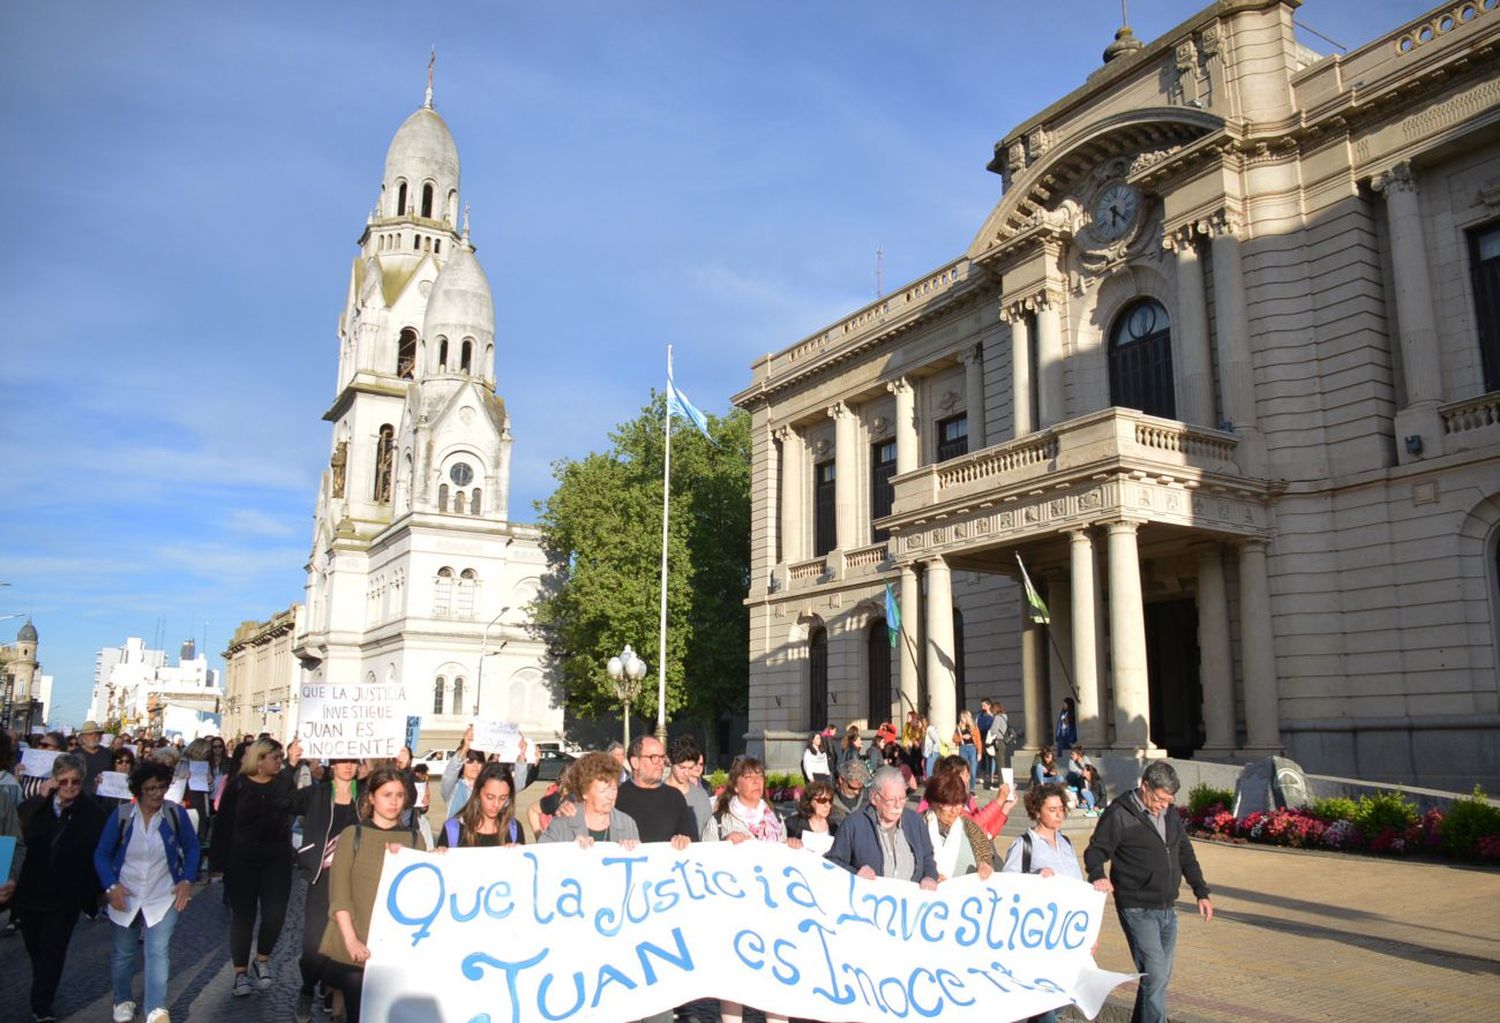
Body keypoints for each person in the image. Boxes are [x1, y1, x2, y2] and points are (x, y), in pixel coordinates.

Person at [1084, 762, 1213, 1023]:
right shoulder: (1120, 813)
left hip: (1167, 908)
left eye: (1169, 800)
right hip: (1136, 907)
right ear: (1145, 787)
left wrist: (1201, 891)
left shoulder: (1171, 814)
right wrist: (1097, 874)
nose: (1164, 805)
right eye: (1161, 799)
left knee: (1157, 980)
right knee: (1154, 975)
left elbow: (1185, 853)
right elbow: (1095, 851)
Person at [94, 758, 200, 1023]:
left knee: (158, 950)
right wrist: (111, 885)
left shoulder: (175, 814)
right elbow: (101, 853)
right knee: (123, 952)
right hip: (125, 894)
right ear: (139, 789)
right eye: (150, 788)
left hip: (163, 893)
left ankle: (156, 1006)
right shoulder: (120, 816)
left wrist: (187, 879)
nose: (156, 794)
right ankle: (122, 999)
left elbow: (193, 847)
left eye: (161, 787)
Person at [318, 767, 422, 1023]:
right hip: (356, 942)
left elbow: (423, 892)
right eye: (387, 794)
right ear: (372, 798)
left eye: (399, 795)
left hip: (395, 947)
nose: (394, 801)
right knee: (361, 1013)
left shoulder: (414, 838)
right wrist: (351, 940)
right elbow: (340, 894)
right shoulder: (353, 835)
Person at [211, 737, 304, 997]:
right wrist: (217, 863)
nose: (279, 762)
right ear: (259, 760)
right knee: (243, 917)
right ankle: (240, 973)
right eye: (274, 758)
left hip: (276, 859)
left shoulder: (284, 782)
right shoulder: (238, 785)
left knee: (276, 915)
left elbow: (298, 804)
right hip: (241, 860)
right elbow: (223, 824)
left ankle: (261, 960)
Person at [15, 753, 104, 1022]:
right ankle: (42, 982)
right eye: (63, 781)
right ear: (54, 780)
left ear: (82, 781)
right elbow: (14, 829)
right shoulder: (36, 805)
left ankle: (42, 1004)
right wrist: (40, 798)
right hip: (30, 891)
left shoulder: (92, 812)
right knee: (35, 947)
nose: (68, 787)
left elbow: (97, 854)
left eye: (74, 782)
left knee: (53, 950)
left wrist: (96, 894)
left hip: (65, 895)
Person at [701, 757, 789, 1023]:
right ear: (735, 785)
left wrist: (791, 848)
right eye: (749, 777)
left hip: (770, 910)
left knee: (777, 975)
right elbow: (704, 863)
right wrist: (725, 845)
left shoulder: (776, 818)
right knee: (734, 977)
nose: (756, 782)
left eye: (760, 776)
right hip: (734, 910)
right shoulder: (719, 820)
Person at [1002, 781, 1084, 1023]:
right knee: (1044, 1004)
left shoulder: (1066, 843)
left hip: (1065, 935)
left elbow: (1079, 886)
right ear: (1037, 811)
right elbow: (1007, 887)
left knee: (1061, 1000)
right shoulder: (1024, 845)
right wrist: (1034, 878)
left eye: (1061, 809)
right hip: (1037, 937)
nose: (1059, 815)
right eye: (1052, 810)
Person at [290, 757, 359, 1023]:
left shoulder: (364, 795)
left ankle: (334, 992)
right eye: (343, 760)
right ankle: (308, 987)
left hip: (354, 877)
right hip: (322, 876)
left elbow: (403, 798)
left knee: (346, 937)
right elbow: (286, 801)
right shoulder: (317, 792)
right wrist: (292, 765)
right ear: (332, 764)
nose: (348, 766)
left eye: (353, 760)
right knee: (314, 943)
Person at [826, 766, 937, 889]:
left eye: (902, 799)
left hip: (908, 904)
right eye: (890, 800)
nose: (898, 806)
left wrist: (929, 876)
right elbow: (832, 862)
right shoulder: (853, 824)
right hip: (871, 902)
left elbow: (927, 857)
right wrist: (855, 873)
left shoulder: (915, 822)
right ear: (874, 798)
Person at [539, 752, 639, 847]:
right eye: (602, 790)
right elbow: (542, 856)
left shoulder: (627, 823)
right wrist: (569, 849)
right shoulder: (562, 823)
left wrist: (635, 849)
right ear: (584, 792)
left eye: (614, 789)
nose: (611, 796)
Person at [612, 736, 695, 848]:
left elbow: (692, 839)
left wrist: (684, 839)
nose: (661, 763)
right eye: (654, 757)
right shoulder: (616, 796)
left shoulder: (675, 797)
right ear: (635, 762)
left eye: (662, 757)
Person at [922, 770, 994, 882]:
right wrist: (926, 875)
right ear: (933, 802)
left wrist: (985, 867)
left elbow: (987, 859)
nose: (954, 810)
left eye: (959, 803)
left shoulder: (970, 827)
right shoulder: (917, 825)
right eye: (948, 804)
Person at [439, 763, 523, 847]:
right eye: (490, 797)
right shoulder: (453, 829)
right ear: (478, 793)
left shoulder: (514, 830)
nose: (496, 804)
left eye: (503, 798)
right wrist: (438, 854)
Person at [665, 735, 714, 837]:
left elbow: (709, 832)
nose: (686, 773)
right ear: (670, 761)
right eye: (682, 767)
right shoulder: (657, 794)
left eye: (690, 767)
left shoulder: (701, 796)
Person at [783, 779, 838, 856]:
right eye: (822, 800)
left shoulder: (835, 828)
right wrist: (789, 842)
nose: (827, 805)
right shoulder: (792, 824)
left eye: (830, 800)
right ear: (809, 801)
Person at [440, 730, 487, 819]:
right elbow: (448, 775)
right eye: (470, 760)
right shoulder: (453, 788)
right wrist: (465, 748)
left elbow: (516, 785)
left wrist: (520, 757)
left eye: (479, 761)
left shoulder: (488, 788)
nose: (475, 765)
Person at [75, 722, 115, 799]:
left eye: (97, 734)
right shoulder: (74, 754)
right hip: (79, 797)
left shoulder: (108, 754)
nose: (94, 737)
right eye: (90, 734)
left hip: (102, 798)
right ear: (83, 737)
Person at [828, 759, 868, 825]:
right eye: (852, 788)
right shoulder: (827, 802)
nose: (857, 792)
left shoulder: (867, 800)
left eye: (860, 788)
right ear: (841, 779)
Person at [986, 699, 1012, 786]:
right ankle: (1004, 782)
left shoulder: (997, 717)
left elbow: (993, 730)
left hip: (999, 741)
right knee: (1003, 762)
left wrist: (990, 729)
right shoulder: (1005, 716)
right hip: (1004, 741)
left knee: (1000, 763)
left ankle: (1001, 783)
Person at [954, 709, 980, 793]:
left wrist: (979, 753)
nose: (962, 719)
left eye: (963, 717)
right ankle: (964, 788)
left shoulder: (974, 727)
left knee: (973, 770)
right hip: (963, 748)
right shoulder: (958, 727)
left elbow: (978, 740)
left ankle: (972, 789)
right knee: (963, 769)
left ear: (967, 717)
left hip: (972, 748)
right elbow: (954, 739)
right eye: (961, 717)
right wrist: (962, 737)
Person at [975, 699, 995, 790]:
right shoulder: (980, 714)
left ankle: (989, 776)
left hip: (989, 738)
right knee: (982, 757)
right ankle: (983, 775)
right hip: (981, 737)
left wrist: (989, 713)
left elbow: (993, 725)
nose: (982, 707)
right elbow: (977, 725)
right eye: (981, 705)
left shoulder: (992, 715)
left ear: (988, 705)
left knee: (989, 758)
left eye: (984, 705)